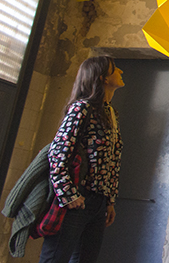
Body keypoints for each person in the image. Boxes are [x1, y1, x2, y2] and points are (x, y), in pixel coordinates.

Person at [39, 55, 124, 263]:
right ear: (103, 77)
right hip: (77, 198)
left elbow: (112, 162)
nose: (121, 72)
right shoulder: (81, 108)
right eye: (115, 69)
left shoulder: (111, 113)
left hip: (98, 202)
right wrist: (68, 195)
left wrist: (109, 201)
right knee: (55, 258)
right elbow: (58, 152)